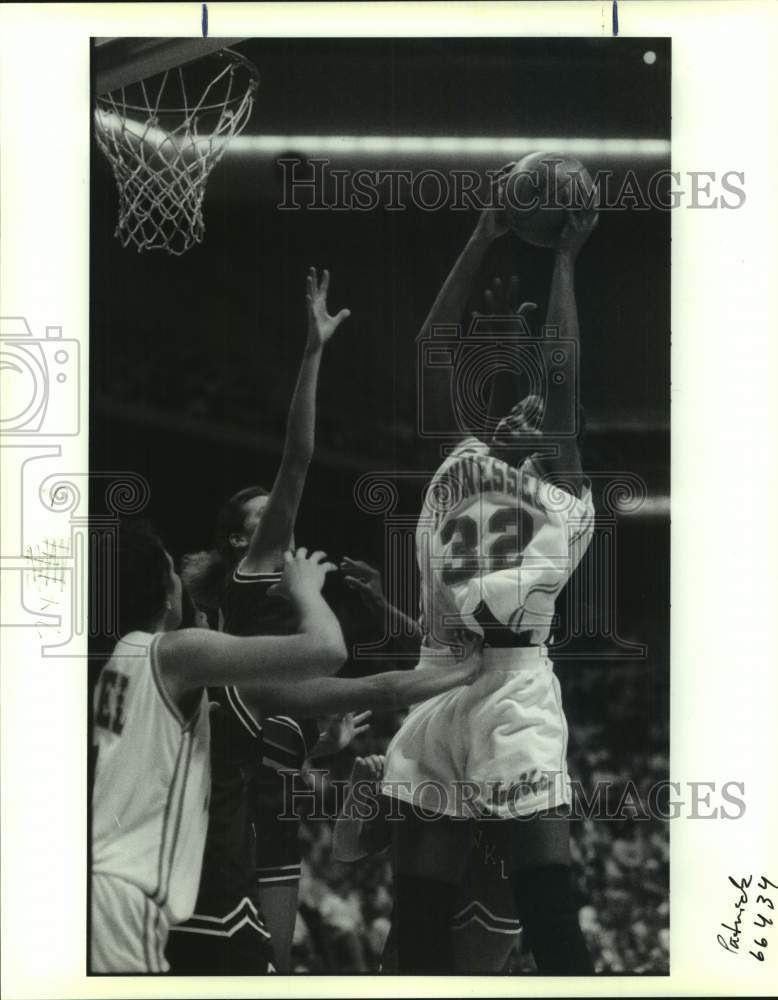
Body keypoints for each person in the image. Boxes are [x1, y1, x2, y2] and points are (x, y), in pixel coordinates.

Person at [169, 268, 479, 974]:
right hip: (236, 794)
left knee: (273, 967)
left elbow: (378, 691)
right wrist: (314, 352)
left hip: (277, 795)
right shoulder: (259, 578)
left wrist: (322, 750)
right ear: (238, 542)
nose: (281, 521)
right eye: (263, 519)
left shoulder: (265, 648)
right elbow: (298, 460)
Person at [380, 176, 599, 974]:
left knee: (550, 917)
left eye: (540, 422)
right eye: (516, 408)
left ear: (559, 454)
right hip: (436, 679)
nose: (523, 414)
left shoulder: (565, 499)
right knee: (418, 925)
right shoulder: (463, 458)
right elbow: (432, 344)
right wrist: (482, 235)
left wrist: (566, 263)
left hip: (514, 690)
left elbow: (564, 380)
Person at [90, 520, 348, 973]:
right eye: (170, 569)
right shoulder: (174, 654)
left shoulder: (111, 662)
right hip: (129, 896)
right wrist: (308, 588)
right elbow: (328, 649)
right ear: (163, 592)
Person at [333, 754, 523, 973]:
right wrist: (358, 789)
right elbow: (346, 849)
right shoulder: (410, 781)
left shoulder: (508, 789)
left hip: (480, 960)